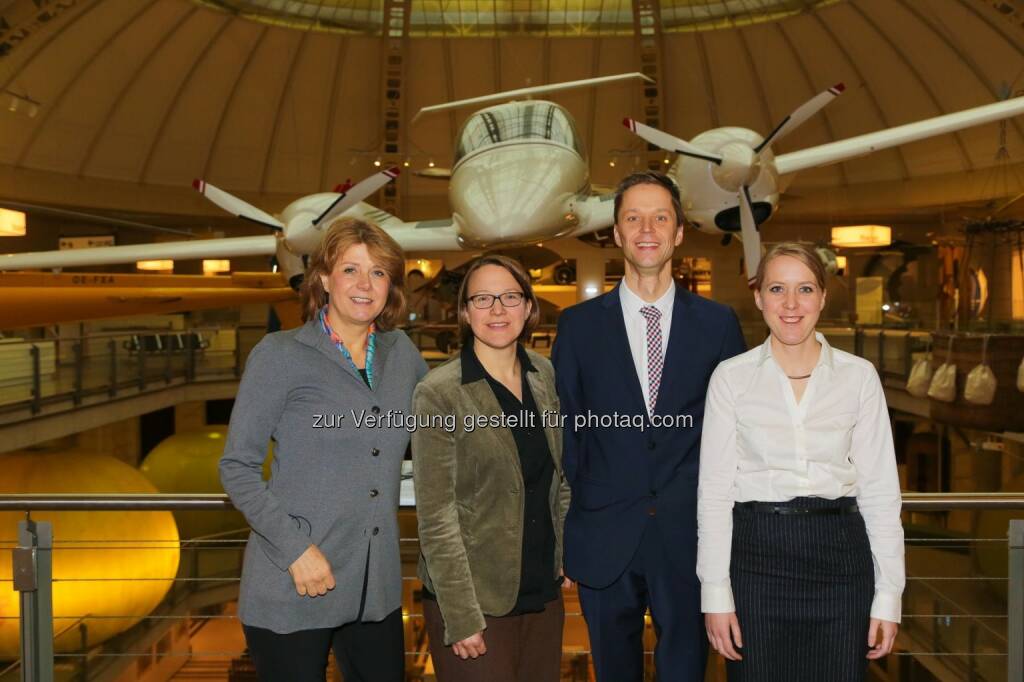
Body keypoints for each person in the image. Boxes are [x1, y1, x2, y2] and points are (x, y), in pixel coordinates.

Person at [551, 171, 746, 681]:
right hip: (602, 535)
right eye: (633, 217)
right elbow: (568, 436)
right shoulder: (578, 327)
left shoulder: (718, 324)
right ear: (616, 233)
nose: (647, 228)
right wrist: (567, 534)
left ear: (679, 232)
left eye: (660, 217)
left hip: (689, 537)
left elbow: (735, 436)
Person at [220, 217, 428, 682]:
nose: (364, 284)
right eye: (350, 269)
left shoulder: (402, 355)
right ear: (322, 279)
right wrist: (297, 550)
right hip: (294, 579)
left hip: (374, 591)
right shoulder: (280, 354)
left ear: (391, 286)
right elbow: (237, 466)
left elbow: (443, 425)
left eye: (378, 272)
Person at [697, 242, 904, 681]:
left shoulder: (859, 376)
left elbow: (882, 495)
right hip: (756, 559)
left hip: (841, 559)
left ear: (823, 297)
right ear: (758, 297)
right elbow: (714, 494)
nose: (791, 304)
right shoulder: (731, 378)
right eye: (777, 288)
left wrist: (889, 595)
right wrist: (715, 593)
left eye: (805, 289)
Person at [412, 255, 571, 682]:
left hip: (542, 594)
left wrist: (564, 553)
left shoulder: (545, 375)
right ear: (464, 312)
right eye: (482, 298)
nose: (497, 310)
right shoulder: (439, 393)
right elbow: (436, 514)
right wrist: (460, 614)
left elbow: (559, 477)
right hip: (476, 602)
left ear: (528, 307)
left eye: (509, 297)